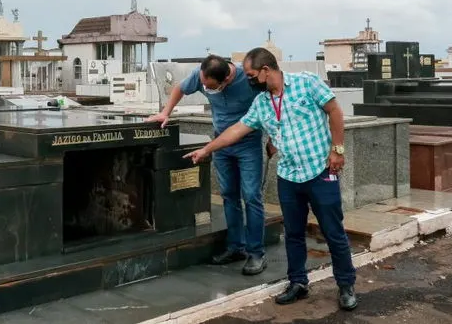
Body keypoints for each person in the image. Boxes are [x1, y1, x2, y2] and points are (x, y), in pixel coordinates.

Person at [184, 47, 357, 311]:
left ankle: (346, 285)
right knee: (294, 234)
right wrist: (208, 149)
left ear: (266, 70)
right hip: (288, 176)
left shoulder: (306, 83)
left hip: (320, 171)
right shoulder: (262, 102)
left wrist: (338, 149)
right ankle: (298, 282)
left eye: (252, 75)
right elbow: (237, 129)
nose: (248, 80)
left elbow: (335, 111)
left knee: (333, 232)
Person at [146, 55, 268, 275]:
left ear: (226, 80)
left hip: (248, 144)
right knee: (229, 196)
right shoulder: (203, 74)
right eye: (203, 84)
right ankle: (235, 247)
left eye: (210, 87)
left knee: (251, 196)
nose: (204, 88)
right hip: (220, 144)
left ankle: (256, 254)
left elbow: (273, 102)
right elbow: (179, 88)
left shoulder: (248, 80)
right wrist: (166, 112)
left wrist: (275, 138)